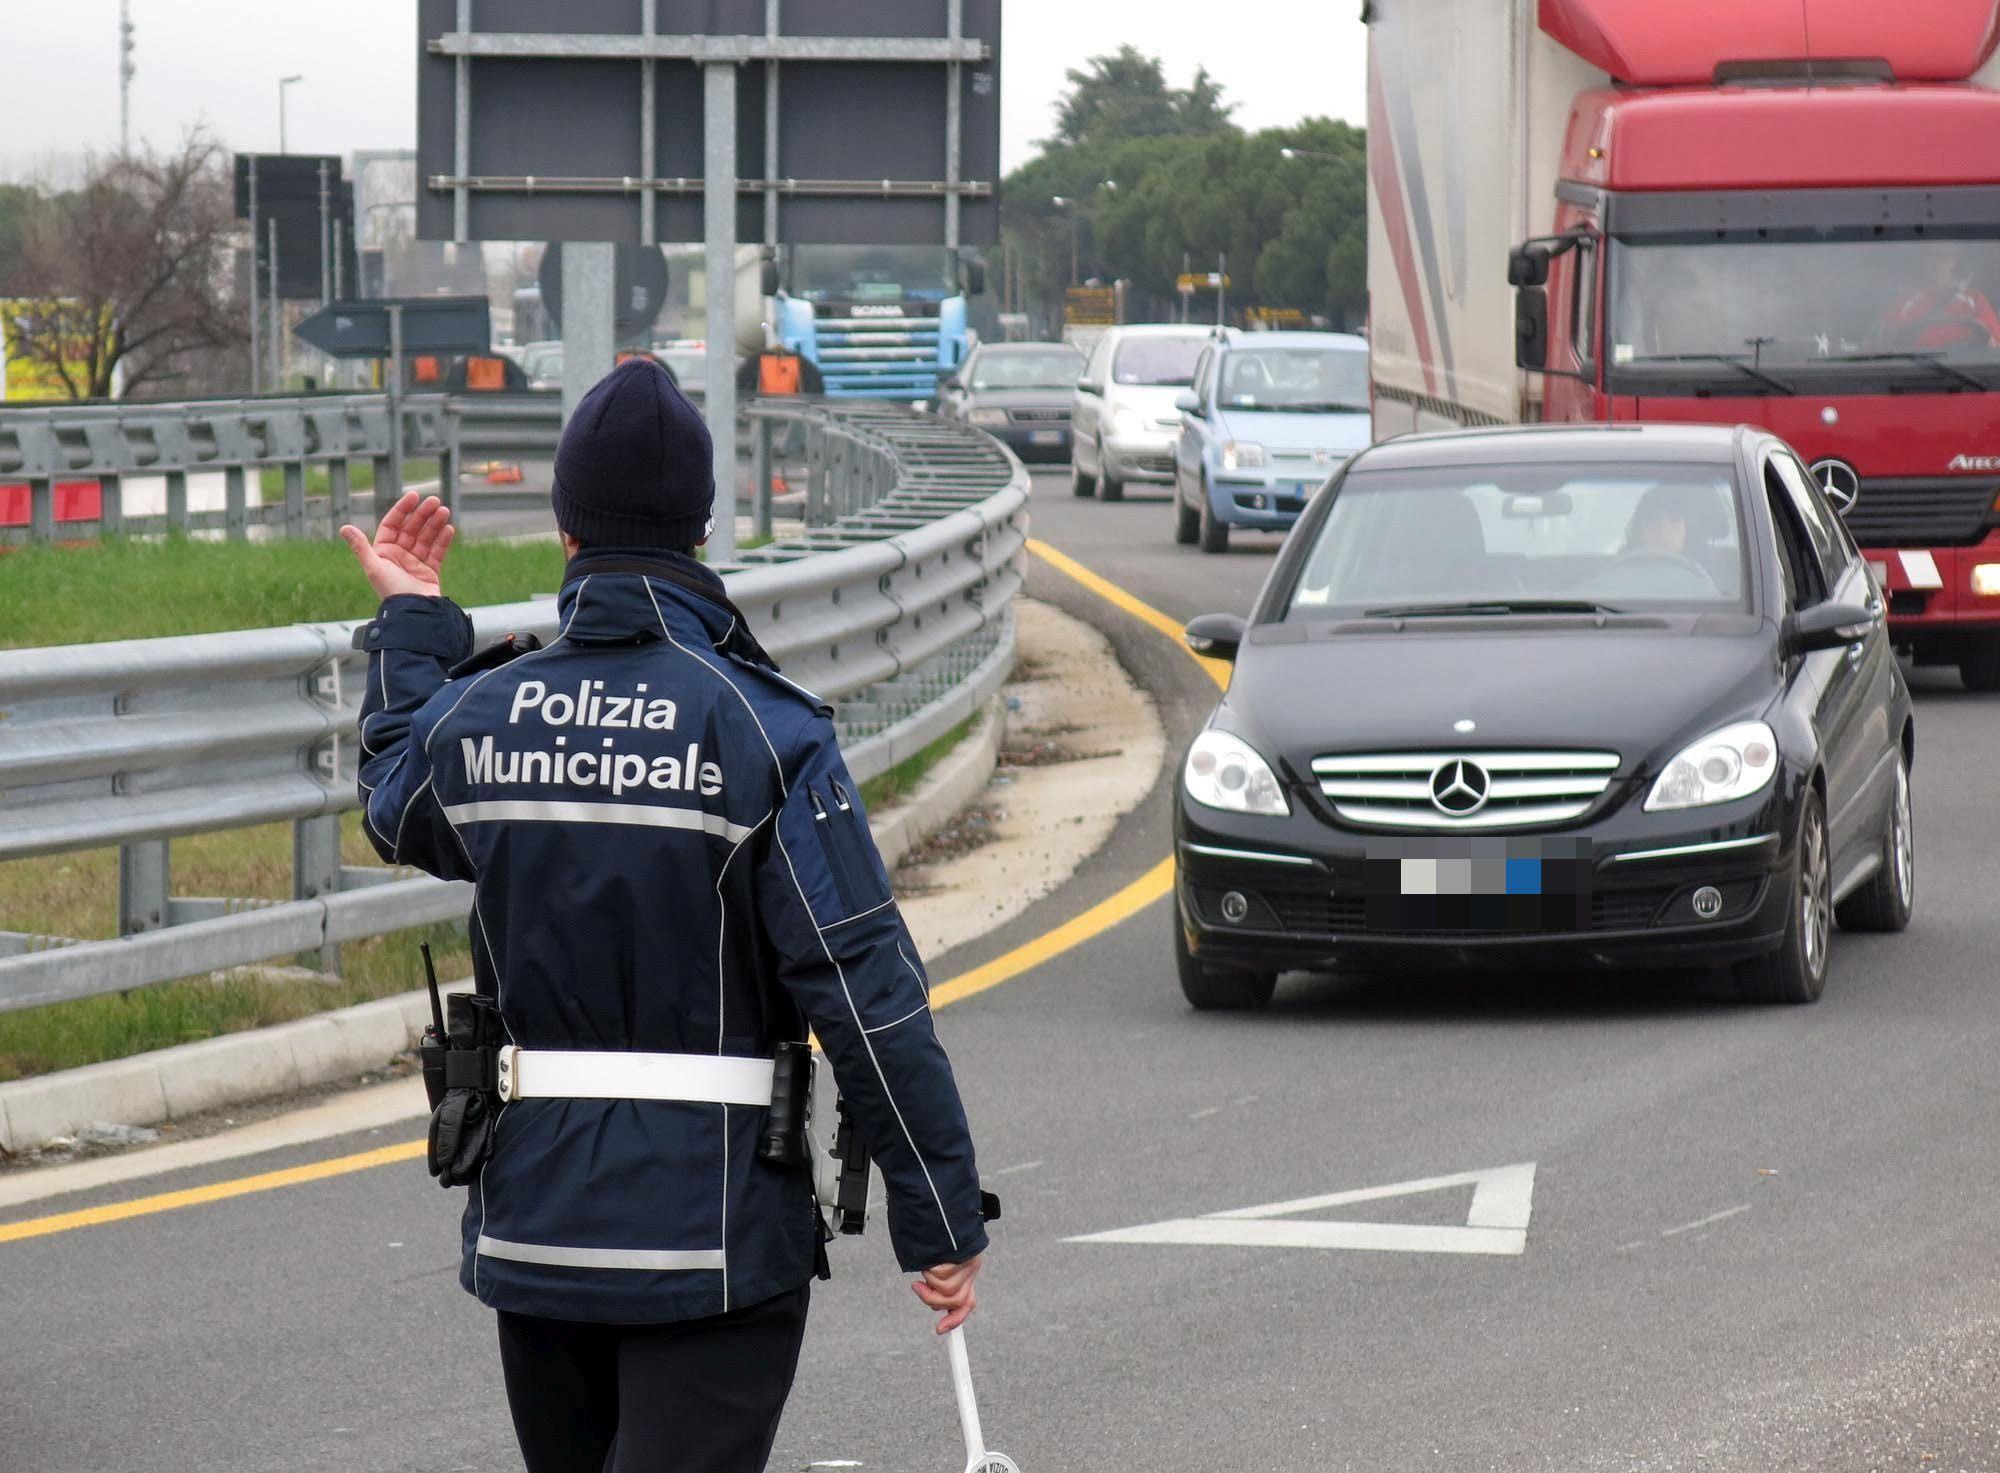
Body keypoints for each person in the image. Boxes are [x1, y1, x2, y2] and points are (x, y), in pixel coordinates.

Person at [340, 358, 989, 1473]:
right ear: (701, 528)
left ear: (563, 527)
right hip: (715, 1241)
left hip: (532, 1228)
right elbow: (862, 986)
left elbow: (396, 810)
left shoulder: (483, 714)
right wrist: (936, 1213)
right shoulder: (763, 729)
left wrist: (413, 628)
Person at [1880, 243, 2000, 350]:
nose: (1936, 262)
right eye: (1931, 255)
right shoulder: (1904, 301)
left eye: (1943, 256)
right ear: (1922, 259)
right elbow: (1884, 344)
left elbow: (1995, 345)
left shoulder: (1974, 300)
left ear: (1955, 260)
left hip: (1967, 371)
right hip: (1916, 371)